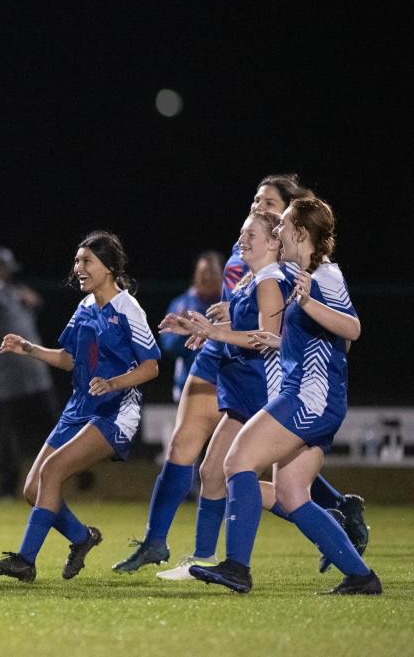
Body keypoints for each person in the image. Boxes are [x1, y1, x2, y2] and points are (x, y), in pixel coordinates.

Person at [113, 175, 368, 574]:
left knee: (233, 466)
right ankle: (356, 569)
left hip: (295, 394)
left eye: (273, 213)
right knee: (284, 491)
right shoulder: (278, 273)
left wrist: (216, 332)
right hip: (283, 387)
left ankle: (231, 565)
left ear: (288, 231)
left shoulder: (303, 276)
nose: (259, 218)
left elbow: (345, 332)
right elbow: (282, 333)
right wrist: (210, 329)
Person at [189, 197, 381, 595]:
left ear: (300, 233)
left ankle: (237, 567)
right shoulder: (297, 273)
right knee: (293, 495)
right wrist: (272, 339)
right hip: (310, 394)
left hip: (311, 397)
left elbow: (353, 330)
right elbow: (310, 338)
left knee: (237, 461)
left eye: (283, 226)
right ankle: (362, 577)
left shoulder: (324, 275)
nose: (277, 232)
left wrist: (309, 303)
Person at [0, 231, 160, 582]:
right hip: (79, 407)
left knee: (51, 473)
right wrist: (29, 348)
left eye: (86, 261)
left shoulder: (128, 308)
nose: (78, 267)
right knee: (33, 489)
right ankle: (82, 538)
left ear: (109, 267)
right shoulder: (84, 307)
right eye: (77, 261)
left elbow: (152, 366)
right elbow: (69, 359)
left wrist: (113, 383)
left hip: (114, 412)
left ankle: (26, 560)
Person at [154, 211, 287, 580]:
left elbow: (264, 337)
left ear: (275, 240)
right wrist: (200, 326)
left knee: (286, 491)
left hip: (262, 388)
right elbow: (244, 326)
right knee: (213, 471)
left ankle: (337, 534)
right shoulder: (253, 279)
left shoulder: (272, 279)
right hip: (243, 386)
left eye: (250, 234)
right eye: (241, 232)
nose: (241, 240)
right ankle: (204, 558)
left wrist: (214, 333)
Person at [0, 246, 59, 497]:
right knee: (5, 440)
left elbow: (34, 305)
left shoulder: (14, 293)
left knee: (57, 430)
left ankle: (69, 477)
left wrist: (31, 304)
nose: (6, 274)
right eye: (1, 269)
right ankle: (7, 489)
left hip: (33, 376)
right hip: (3, 380)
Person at [159, 251, 223, 402]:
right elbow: (168, 347)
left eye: (212, 273)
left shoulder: (231, 305)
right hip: (192, 387)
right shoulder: (182, 305)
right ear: (195, 275)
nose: (207, 277)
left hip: (227, 386)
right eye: (203, 273)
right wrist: (184, 332)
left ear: (222, 275)